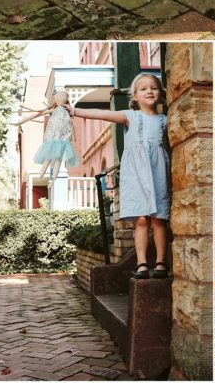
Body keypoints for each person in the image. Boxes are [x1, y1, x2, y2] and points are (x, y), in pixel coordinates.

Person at [72, 72, 171, 280]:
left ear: (160, 93)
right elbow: (100, 114)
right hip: (136, 172)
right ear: (134, 96)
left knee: (159, 219)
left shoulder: (165, 120)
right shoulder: (130, 117)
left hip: (158, 171)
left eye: (153, 87)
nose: (149, 91)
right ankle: (142, 263)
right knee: (142, 220)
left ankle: (161, 263)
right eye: (143, 89)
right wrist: (72, 110)